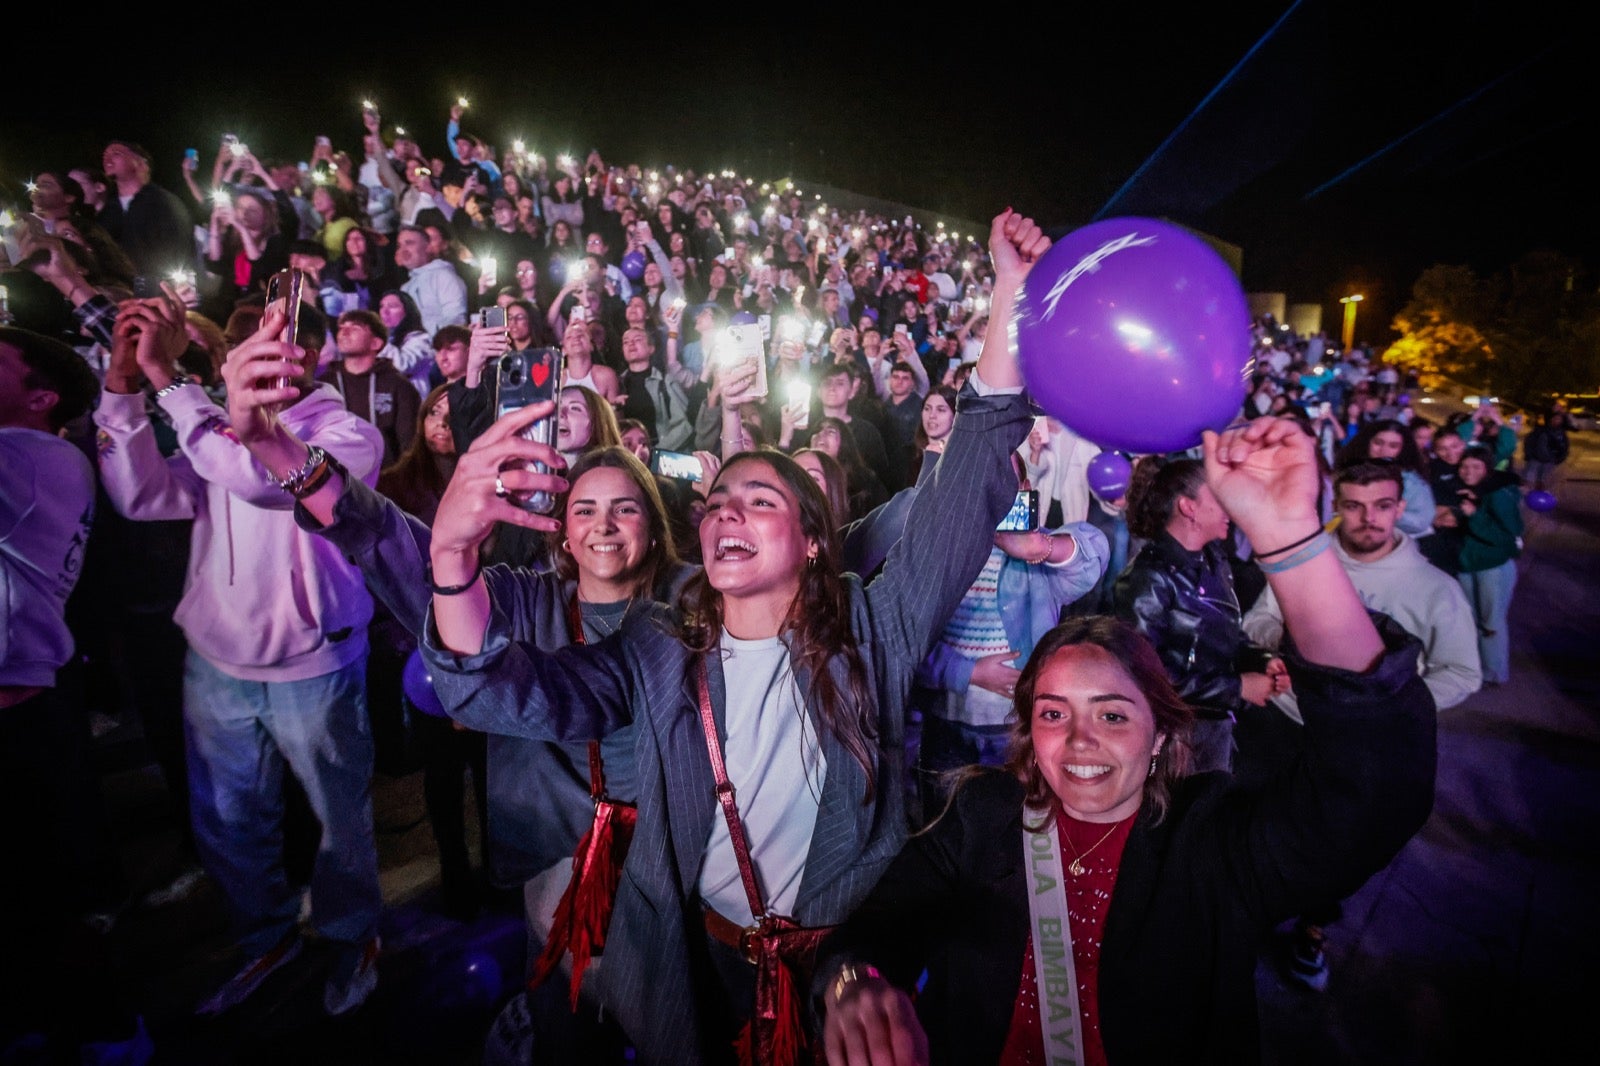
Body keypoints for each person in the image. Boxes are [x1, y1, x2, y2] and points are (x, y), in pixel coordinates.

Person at [411, 208, 1046, 1064]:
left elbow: (969, 479)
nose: (726, 515)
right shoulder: (656, 646)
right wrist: (452, 553)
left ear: (815, 539)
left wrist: (1008, 293)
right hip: (700, 964)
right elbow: (495, 687)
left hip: (844, 971)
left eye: (760, 500)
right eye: (716, 504)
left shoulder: (874, 628)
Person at [815, 415, 1438, 1066]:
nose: (1080, 740)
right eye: (1054, 714)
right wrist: (853, 984)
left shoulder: (1213, 846)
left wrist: (1291, 542)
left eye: (1112, 715)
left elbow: (1376, 790)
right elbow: (874, 926)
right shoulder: (981, 818)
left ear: (1162, 733)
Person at [93, 291, 385, 1018]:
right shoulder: (211, 431)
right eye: (236, 349)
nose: (244, 363)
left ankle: (355, 940)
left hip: (314, 664)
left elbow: (261, 481)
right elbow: (141, 496)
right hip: (215, 660)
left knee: (337, 820)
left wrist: (172, 384)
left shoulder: (348, 433)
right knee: (228, 819)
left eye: (266, 346)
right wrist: (125, 391)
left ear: (305, 355)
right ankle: (266, 940)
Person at [1243, 458, 1480, 991]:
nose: (1367, 519)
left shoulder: (1435, 589)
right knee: (1260, 829)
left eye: (1381, 506)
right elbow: (1258, 617)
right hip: (1281, 726)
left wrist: (1396, 709)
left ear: (1400, 508)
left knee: (1339, 850)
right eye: (1353, 505)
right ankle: (1243, 916)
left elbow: (1463, 671)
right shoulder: (1310, 563)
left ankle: (1311, 933)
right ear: (1337, 506)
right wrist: (1278, 642)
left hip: (1360, 753)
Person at [0, 326, 125, 1056]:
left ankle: (106, 1033)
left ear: (42, 396)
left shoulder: (38, 455)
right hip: (31, 705)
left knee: (42, 901)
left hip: (21, 717)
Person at [1112, 455, 1282, 774]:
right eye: (1218, 498)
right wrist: (1237, 688)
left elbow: (1226, 635)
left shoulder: (1213, 560)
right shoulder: (1147, 578)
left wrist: (1260, 661)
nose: (1229, 508)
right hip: (1172, 740)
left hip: (1213, 728)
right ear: (1188, 507)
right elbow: (1143, 676)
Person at [1451, 443, 1523, 685]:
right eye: (1464, 466)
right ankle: (1477, 668)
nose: (1468, 471)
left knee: (1491, 623)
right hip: (1468, 565)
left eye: (1476, 466)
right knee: (1472, 620)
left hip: (1493, 567)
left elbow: (1508, 535)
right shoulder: (1467, 491)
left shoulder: (1498, 494)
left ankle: (1494, 673)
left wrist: (1475, 515)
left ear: (1487, 469)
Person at [317, 309, 421, 466]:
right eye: (341, 327)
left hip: (384, 481)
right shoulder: (323, 385)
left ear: (376, 343)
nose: (344, 332)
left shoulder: (399, 386)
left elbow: (410, 445)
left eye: (355, 328)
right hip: (334, 481)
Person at [97, 140, 195, 293]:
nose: (107, 159)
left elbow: (181, 250)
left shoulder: (164, 202)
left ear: (142, 163)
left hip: (157, 293)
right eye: (104, 156)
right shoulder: (109, 210)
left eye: (116, 153)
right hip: (119, 295)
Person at [1336, 418, 1436, 539]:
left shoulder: (1411, 480)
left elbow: (1421, 521)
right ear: (1367, 442)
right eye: (1378, 443)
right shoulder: (1346, 469)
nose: (1384, 451)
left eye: (1393, 446)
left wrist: (1385, 512)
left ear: (1402, 450)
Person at [395, 223, 468, 337]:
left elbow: (456, 319)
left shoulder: (444, 276)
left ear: (428, 247)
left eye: (409, 243)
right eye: (400, 245)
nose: (403, 250)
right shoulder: (405, 287)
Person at [376, 289, 438, 396]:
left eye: (392, 306)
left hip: (412, 403)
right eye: (382, 306)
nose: (385, 311)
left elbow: (402, 366)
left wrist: (380, 341)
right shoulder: (388, 340)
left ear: (407, 312)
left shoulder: (421, 339)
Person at [1521, 407, 1570, 493]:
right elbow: (1528, 442)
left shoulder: (1561, 434)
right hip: (1535, 460)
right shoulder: (1540, 430)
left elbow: (1564, 448)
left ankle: (1539, 501)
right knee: (1528, 482)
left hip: (1550, 462)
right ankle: (1525, 500)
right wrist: (1529, 455)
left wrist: (1558, 459)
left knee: (1543, 483)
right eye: (1555, 418)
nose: (1557, 420)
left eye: (1559, 419)